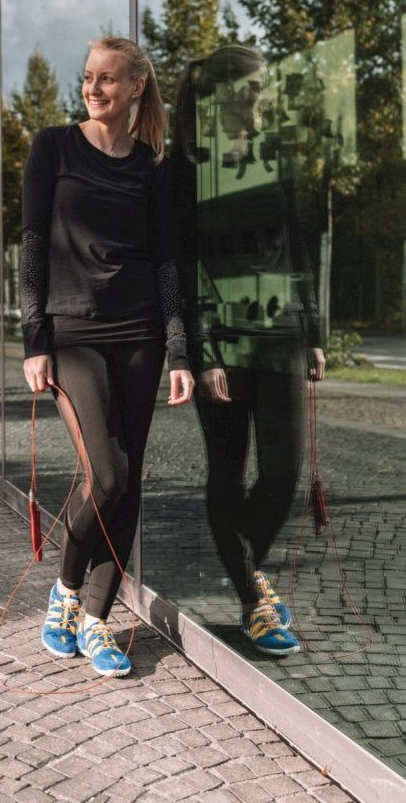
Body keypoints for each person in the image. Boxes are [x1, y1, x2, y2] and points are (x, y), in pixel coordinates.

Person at [20, 36, 194, 677]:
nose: (93, 89)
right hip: (73, 336)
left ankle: (96, 622)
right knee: (108, 477)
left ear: (136, 88)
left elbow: (167, 263)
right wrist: (33, 339)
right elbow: (33, 245)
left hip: (141, 336)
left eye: (107, 80)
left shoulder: (150, 168)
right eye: (88, 76)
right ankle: (65, 592)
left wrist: (179, 349)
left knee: (131, 483)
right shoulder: (53, 148)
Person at [172, 44, 325, 657]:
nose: (262, 99)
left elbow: (298, 249)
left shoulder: (272, 156)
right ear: (223, 95)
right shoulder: (186, 168)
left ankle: (244, 568)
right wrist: (202, 352)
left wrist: (312, 333)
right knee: (228, 473)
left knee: (283, 472)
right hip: (224, 344)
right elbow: (185, 268)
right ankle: (253, 598)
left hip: (283, 334)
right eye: (254, 88)